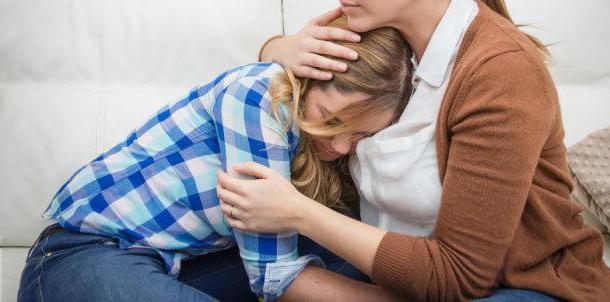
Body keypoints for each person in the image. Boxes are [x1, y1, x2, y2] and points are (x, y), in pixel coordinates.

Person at [215, 0, 610, 302]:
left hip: (523, 287)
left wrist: (299, 214)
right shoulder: (370, 30)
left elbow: (459, 277)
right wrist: (276, 50)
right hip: (397, 264)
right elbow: (281, 77)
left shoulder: (502, 73)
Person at [16, 17, 415, 302]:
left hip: (190, 262)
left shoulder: (330, 139)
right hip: (88, 254)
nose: (343, 146)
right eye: (332, 119)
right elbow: (273, 277)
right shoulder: (258, 96)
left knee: (357, 255)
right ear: (306, 82)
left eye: (362, 134)